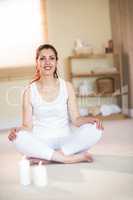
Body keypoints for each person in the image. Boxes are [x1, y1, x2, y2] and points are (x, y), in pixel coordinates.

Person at [8, 44, 103, 164]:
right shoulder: (28, 91)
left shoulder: (67, 86)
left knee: (96, 129)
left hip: (66, 141)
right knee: (19, 138)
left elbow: (76, 120)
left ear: (56, 62)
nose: (47, 62)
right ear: (37, 62)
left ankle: (48, 157)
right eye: (42, 58)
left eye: (51, 58)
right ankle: (66, 158)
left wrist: (90, 120)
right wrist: (17, 130)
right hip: (41, 140)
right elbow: (27, 126)